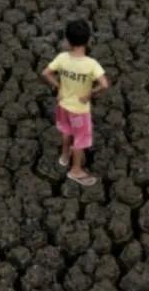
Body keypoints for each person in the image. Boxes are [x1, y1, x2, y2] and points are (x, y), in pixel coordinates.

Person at [41, 20, 110, 186]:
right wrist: (90, 93)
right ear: (88, 40)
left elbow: (45, 73)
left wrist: (59, 86)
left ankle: (65, 156)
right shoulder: (91, 64)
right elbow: (104, 84)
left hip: (63, 105)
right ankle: (76, 170)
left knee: (66, 130)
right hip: (79, 110)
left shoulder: (62, 58)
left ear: (67, 40)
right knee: (80, 139)